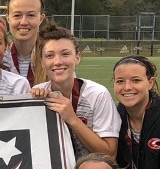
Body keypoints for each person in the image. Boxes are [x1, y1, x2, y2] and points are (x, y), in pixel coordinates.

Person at [30, 24, 118, 161]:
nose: (58, 61)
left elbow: (110, 155)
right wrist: (31, 105)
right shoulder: (38, 95)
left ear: (77, 58)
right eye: (49, 55)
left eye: (65, 54)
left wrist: (72, 119)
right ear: (41, 62)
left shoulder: (97, 95)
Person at [1, 0, 45, 85]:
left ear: (41, 19)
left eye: (31, 15)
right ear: (8, 19)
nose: (24, 22)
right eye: (17, 15)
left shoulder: (53, 57)